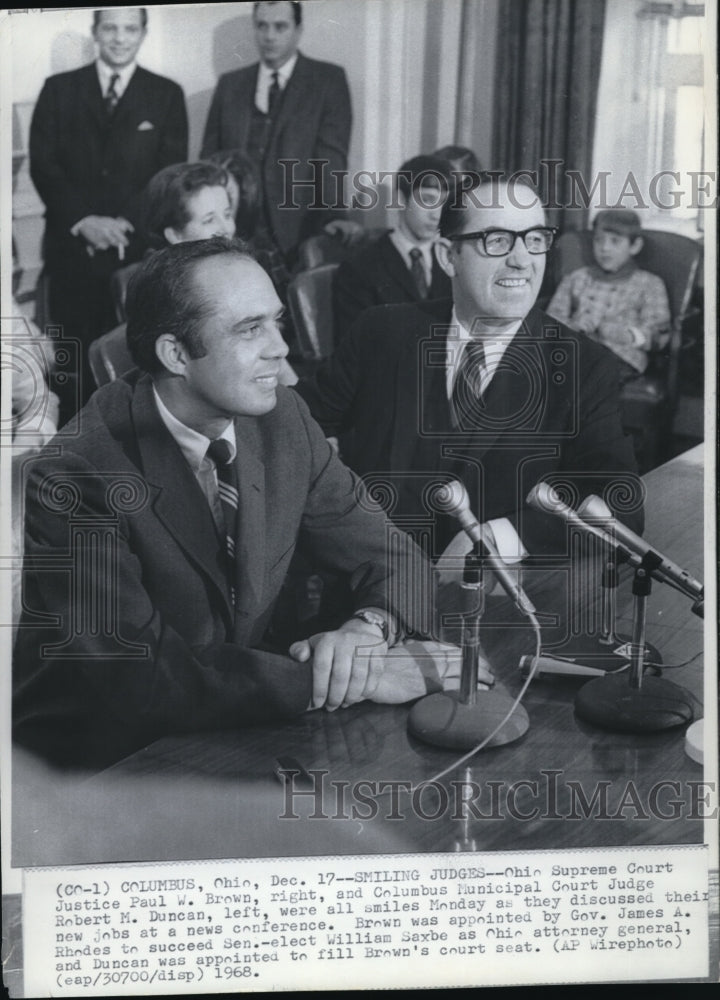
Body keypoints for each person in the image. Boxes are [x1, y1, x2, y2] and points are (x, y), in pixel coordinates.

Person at [13, 237, 445, 770]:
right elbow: (135, 678)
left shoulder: (283, 417)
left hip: (236, 731)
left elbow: (396, 556)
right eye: (249, 329)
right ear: (175, 354)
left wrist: (368, 631)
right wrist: (349, 679)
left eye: (277, 322)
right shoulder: (77, 474)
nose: (281, 348)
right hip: (104, 768)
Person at [296, 175, 644, 563]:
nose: (522, 259)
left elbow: (621, 503)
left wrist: (502, 538)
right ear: (449, 256)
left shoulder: (584, 364)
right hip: (367, 582)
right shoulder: (381, 330)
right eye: (496, 240)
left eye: (535, 239)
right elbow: (299, 424)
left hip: (492, 599)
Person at [29, 8, 188, 411]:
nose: (120, 38)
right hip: (71, 252)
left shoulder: (166, 94)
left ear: (143, 33)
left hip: (134, 255)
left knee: (131, 362)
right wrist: (84, 221)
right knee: (71, 367)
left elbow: (168, 172)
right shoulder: (58, 89)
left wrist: (123, 223)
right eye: (111, 28)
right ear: (96, 32)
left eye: (129, 29)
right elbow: (43, 165)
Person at [200, 1, 352, 267]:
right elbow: (209, 160)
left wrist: (332, 216)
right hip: (234, 231)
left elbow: (332, 158)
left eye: (280, 27)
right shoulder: (230, 85)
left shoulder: (327, 80)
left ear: (298, 30)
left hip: (298, 232)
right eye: (262, 26)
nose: (269, 36)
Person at [333, 155, 453, 338]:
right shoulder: (360, 267)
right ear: (401, 199)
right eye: (428, 200)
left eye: (445, 203)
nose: (437, 215)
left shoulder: (454, 262)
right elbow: (355, 349)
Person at [547, 209, 671, 382]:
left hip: (621, 357)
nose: (604, 248)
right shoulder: (577, 277)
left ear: (635, 246)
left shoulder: (649, 283)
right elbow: (551, 320)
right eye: (599, 240)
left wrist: (630, 335)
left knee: (585, 376)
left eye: (615, 241)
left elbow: (660, 334)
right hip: (575, 351)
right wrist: (573, 326)